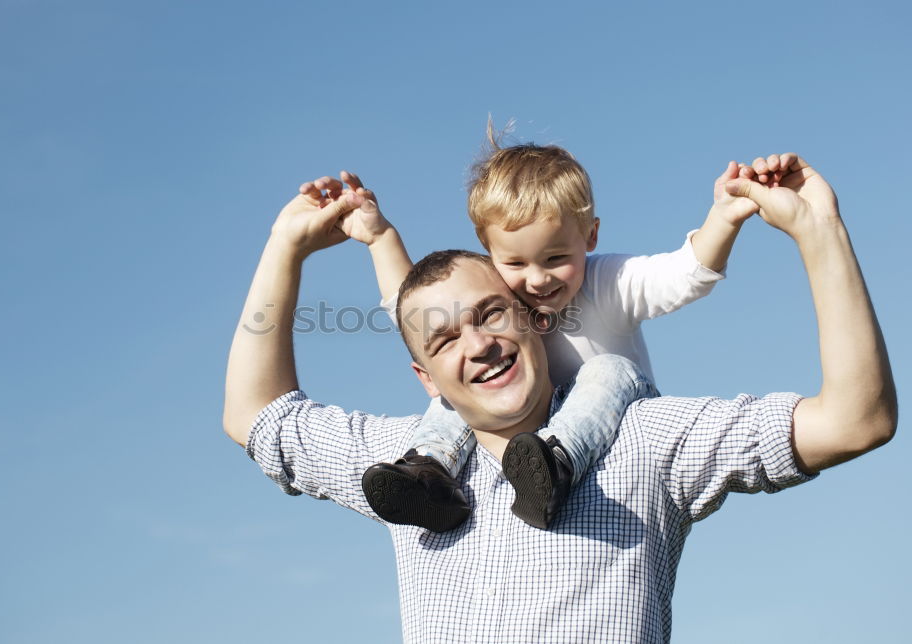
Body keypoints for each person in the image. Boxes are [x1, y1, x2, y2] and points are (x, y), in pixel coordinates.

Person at [223, 155, 896, 643]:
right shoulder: (397, 471)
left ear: (532, 319)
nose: (478, 344)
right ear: (425, 377)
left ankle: (553, 462)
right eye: (445, 339)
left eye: (491, 315)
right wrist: (287, 248)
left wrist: (818, 231)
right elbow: (256, 416)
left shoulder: (645, 443)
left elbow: (855, 421)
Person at [312, 139, 771, 531]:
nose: (537, 280)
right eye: (514, 264)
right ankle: (430, 475)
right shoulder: (497, 302)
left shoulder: (606, 282)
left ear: (589, 236)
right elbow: (415, 309)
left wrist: (726, 217)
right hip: (531, 439)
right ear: (489, 250)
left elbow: (683, 276)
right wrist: (379, 238)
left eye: (555, 259)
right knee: (452, 388)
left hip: (609, 427)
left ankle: (554, 464)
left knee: (608, 369)